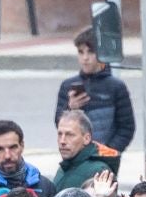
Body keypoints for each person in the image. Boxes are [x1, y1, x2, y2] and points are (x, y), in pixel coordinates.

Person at [56, 27, 135, 161]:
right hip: (74, 159)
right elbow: (59, 123)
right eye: (81, 52)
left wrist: (109, 152)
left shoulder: (116, 87)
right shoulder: (68, 86)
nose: (85, 58)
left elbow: (127, 127)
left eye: (91, 52)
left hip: (106, 159)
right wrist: (70, 109)